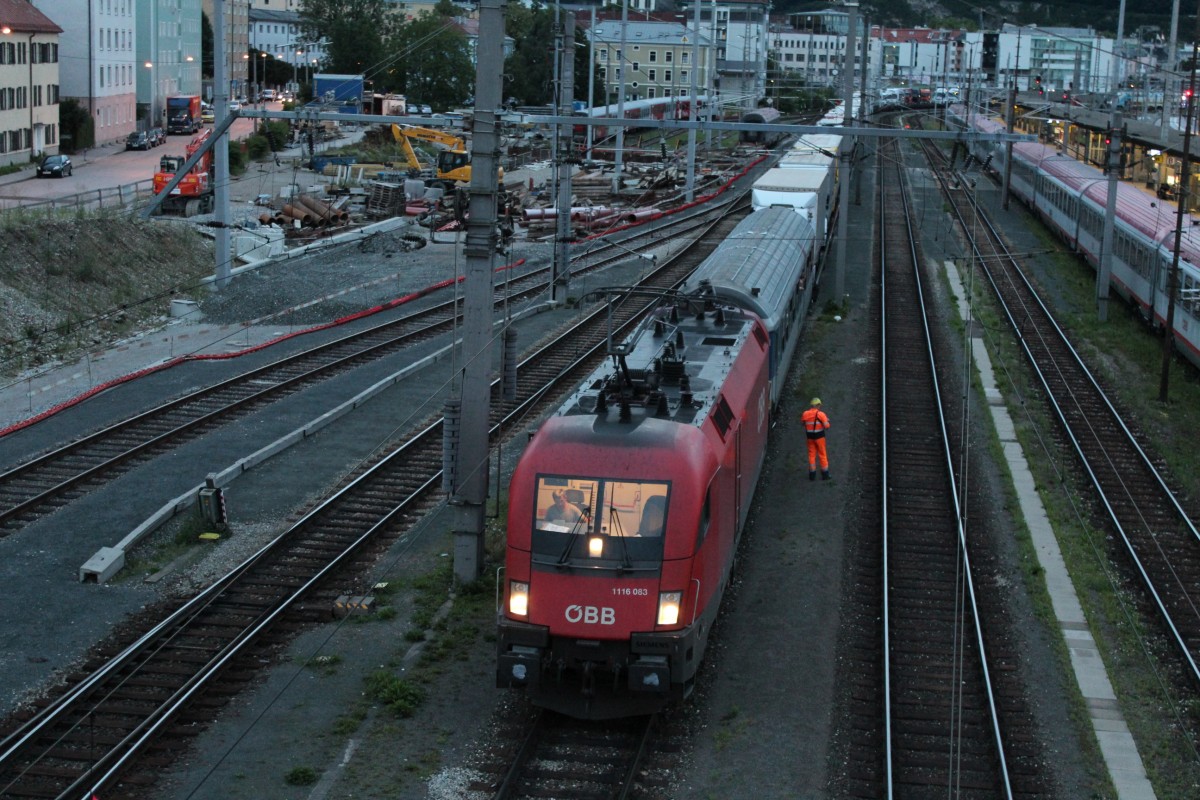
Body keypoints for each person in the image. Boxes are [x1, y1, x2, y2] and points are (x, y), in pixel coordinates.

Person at [801, 397, 831, 481]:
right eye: (819, 405)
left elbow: (803, 423)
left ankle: (812, 475)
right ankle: (825, 475)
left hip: (810, 438)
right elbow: (827, 426)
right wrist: (827, 421)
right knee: (822, 454)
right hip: (820, 438)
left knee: (811, 455)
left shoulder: (805, 414)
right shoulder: (821, 414)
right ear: (817, 405)